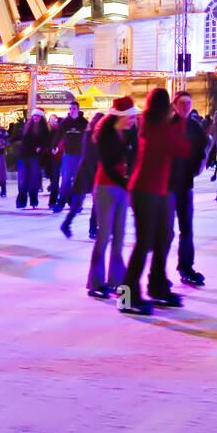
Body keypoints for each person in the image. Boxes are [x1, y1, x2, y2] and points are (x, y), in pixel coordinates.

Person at [120, 88, 190, 315]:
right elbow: (182, 148)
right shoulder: (159, 127)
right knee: (144, 244)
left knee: (162, 239)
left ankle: (157, 286)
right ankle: (127, 297)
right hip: (146, 190)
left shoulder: (153, 123)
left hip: (156, 189)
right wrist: (179, 121)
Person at [86, 100, 136, 297]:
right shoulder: (106, 135)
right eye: (130, 116)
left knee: (120, 234)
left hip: (121, 188)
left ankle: (117, 279)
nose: (133, 120)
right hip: (106, 187)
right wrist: (128, 184)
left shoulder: (127, 133)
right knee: (105, 234)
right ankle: (96, 282)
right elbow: (107, 167)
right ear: (121, 116)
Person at [169, 92, 208, 286]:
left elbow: (204, 145)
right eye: (182, 103)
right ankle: (157, 273)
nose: (186, 107)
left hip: (185, 184)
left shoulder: (194, 126)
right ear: (175, 105)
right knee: (165, 232)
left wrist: (200, 163)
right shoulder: (168, 126)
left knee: (186, 229)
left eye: (189, 103)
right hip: (167, 185)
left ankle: (186, 267)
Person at [61, 111, 103, 238]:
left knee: (86, 201)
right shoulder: (93, 135)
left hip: (87, 169)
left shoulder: (91, 134)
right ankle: (90, 228)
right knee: (86, 201)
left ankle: (87, 227)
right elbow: (92, 155)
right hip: (89, 170)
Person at [53, 102, 88, 213]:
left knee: (79, 180)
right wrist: (54, 146)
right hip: (68, 154)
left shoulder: (84, 122)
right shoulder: (65, 122)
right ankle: (61, 203)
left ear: (78, 109)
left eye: (73, 108)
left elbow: (89, 136)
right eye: (70, 108)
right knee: (66, 180)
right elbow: (58, 134)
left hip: (81, 154)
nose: (71, 110)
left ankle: (77, 204)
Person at [16, 110, 49, 209]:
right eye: (34, 116)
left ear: (41, 118)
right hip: (23, 155)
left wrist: (40, 147)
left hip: (34, 156)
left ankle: (33, 200)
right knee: (22, 180)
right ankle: (21, 201)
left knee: (33, 180)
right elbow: (20, 137)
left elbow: (46, 141)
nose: (35, 118)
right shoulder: (27, 127)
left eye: (38, 117)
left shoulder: (43, 129)